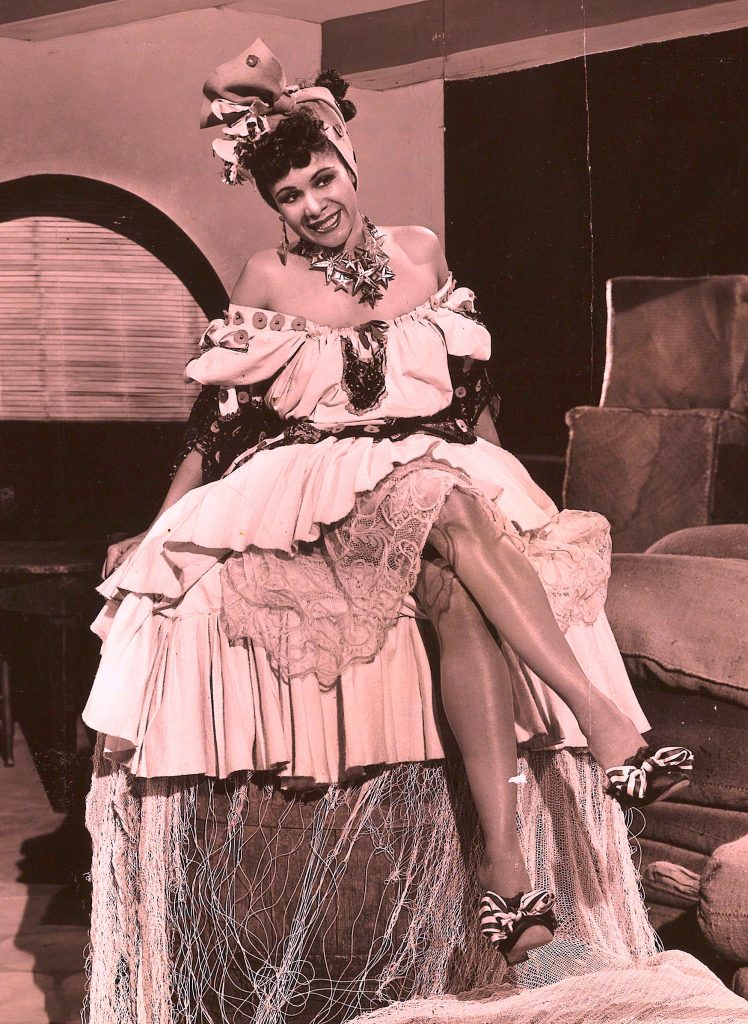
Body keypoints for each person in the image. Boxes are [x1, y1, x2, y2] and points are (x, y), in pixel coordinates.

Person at [85, 38, 693, 979]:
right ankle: (607, 723)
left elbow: (468, 393)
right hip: (321, 478)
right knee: (441, 498)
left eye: (322, 179)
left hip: (435, 463)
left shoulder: (420, 251)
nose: (312, 205)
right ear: (273, 206)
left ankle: (505, 880)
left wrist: (508, 482)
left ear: (349, 163)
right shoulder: (265, 277)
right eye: (289, 195)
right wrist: (163, 525)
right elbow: (219, 420)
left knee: (459, 589)